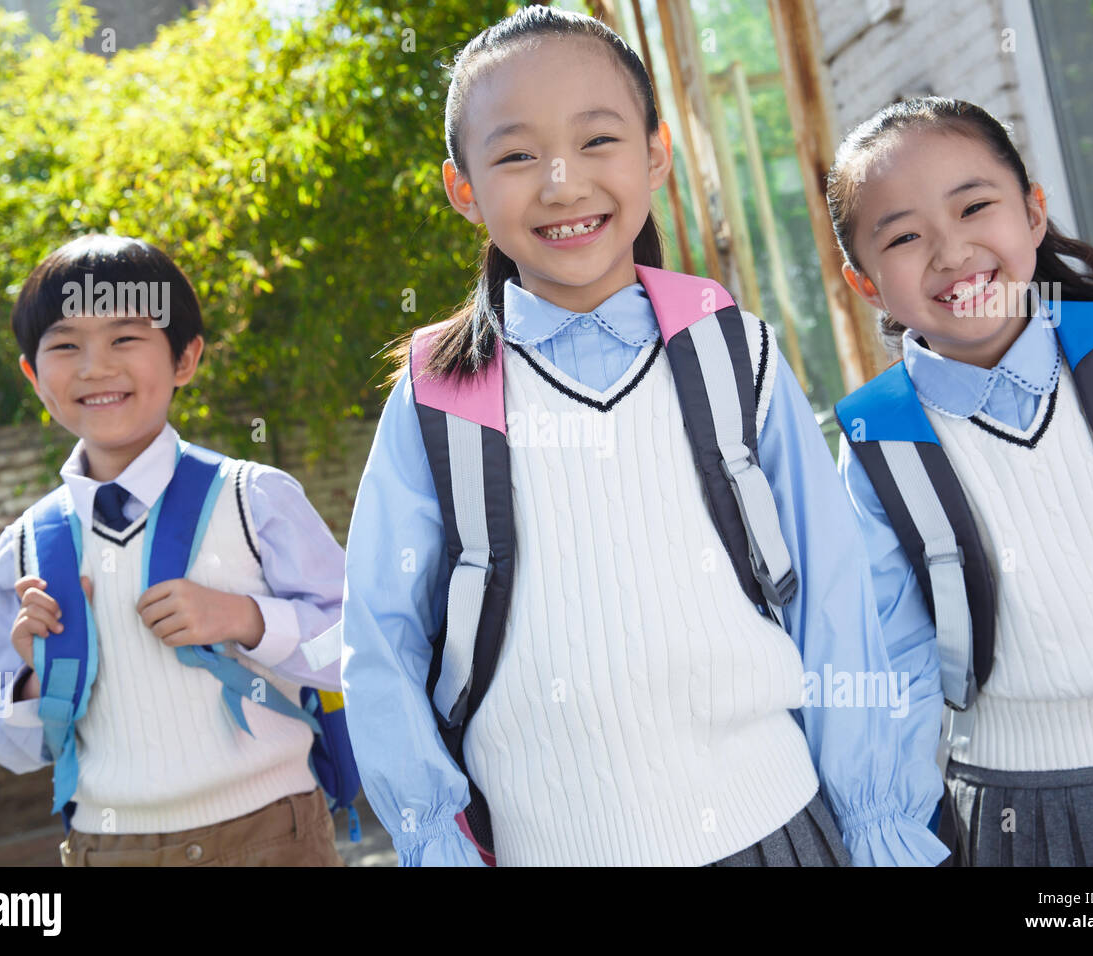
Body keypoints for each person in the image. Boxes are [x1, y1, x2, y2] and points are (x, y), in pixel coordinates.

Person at [340, 6, 947, 867]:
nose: (561, 182)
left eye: (598, 141)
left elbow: (835, 607)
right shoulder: (442, 389)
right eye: (515, 155)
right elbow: (380, 640)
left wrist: (878, 819)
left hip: (775, 830)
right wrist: (430, 837)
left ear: (656, 153)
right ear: (463, 189)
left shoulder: (734, 350)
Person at [830, 96, 1093, 866]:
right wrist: (890, 832)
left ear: (1033, 213)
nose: (951, 249)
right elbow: (888, 656)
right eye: (903, 236)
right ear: (864, 283)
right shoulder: (879, 436)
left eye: (975, 207)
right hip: (1029, 811)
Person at [0, 234, 349, 866]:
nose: (95, 367)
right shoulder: (25, 552)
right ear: (35, 377)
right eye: (65, 345)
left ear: (184, 358)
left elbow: (359, 649)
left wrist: (246, 619)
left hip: (272, 840)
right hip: (109, 848)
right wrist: (38, 675)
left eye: (124, 338)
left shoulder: (253, 501)